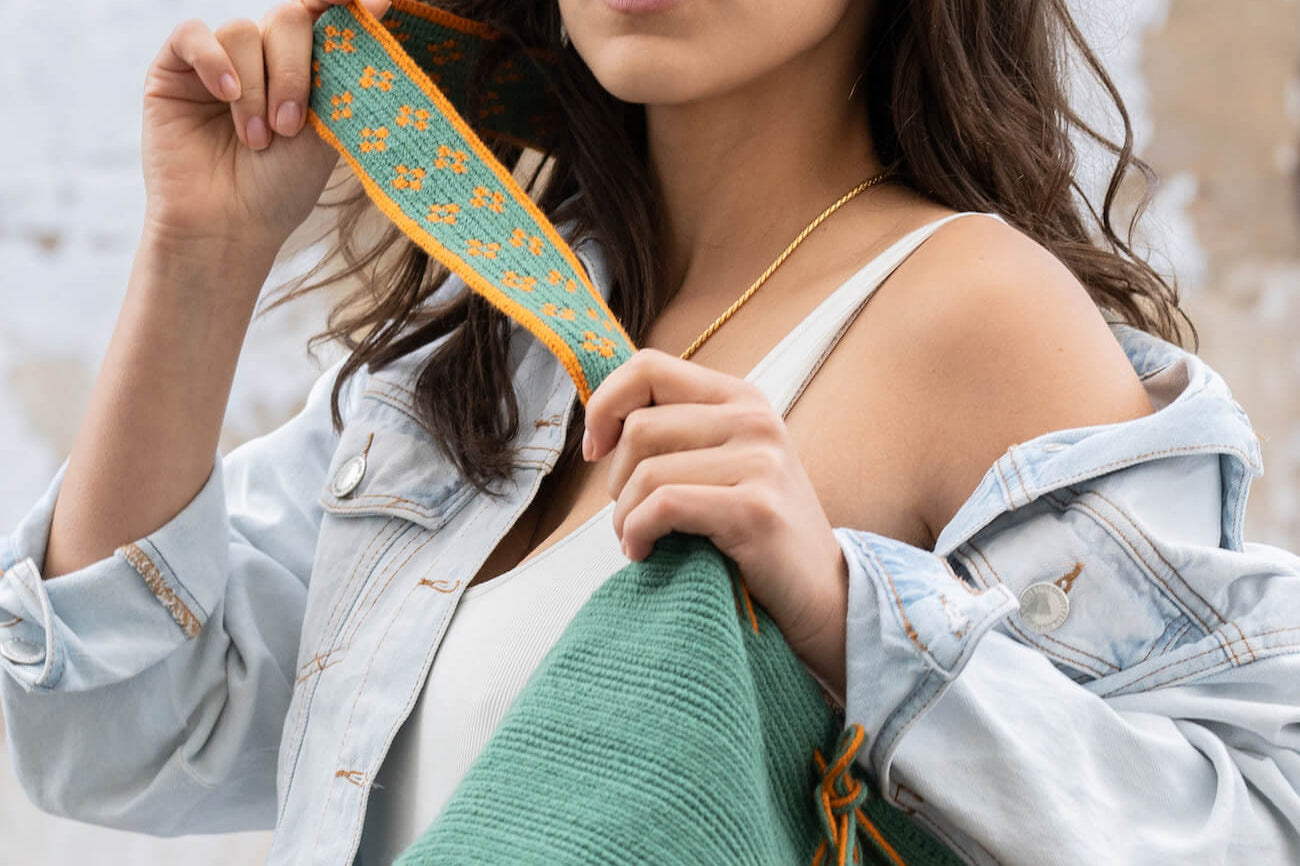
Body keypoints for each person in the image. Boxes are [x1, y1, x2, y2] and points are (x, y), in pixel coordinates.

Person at [0, 0, 1297, 863]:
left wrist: (847, 609)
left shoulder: (973, 312)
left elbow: (1251, 820)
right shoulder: (493, 340)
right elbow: (118, 738)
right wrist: (200, 255)